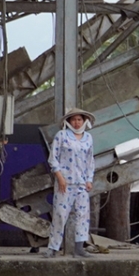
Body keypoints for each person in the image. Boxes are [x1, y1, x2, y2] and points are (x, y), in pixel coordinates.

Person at [45, 107, 96, 258]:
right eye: (73, 119)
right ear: (68, 121)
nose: (76, 122)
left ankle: (79, 248)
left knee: (82, 215)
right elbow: (53, 158)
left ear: (84, 121)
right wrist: (60, 178)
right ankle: (53, 248)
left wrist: (89, 179)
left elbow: (90, 160)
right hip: (64, 182)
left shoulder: (88, 138)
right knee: (60, 214)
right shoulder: (61, 136)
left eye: (79, 119)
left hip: (81, 184)